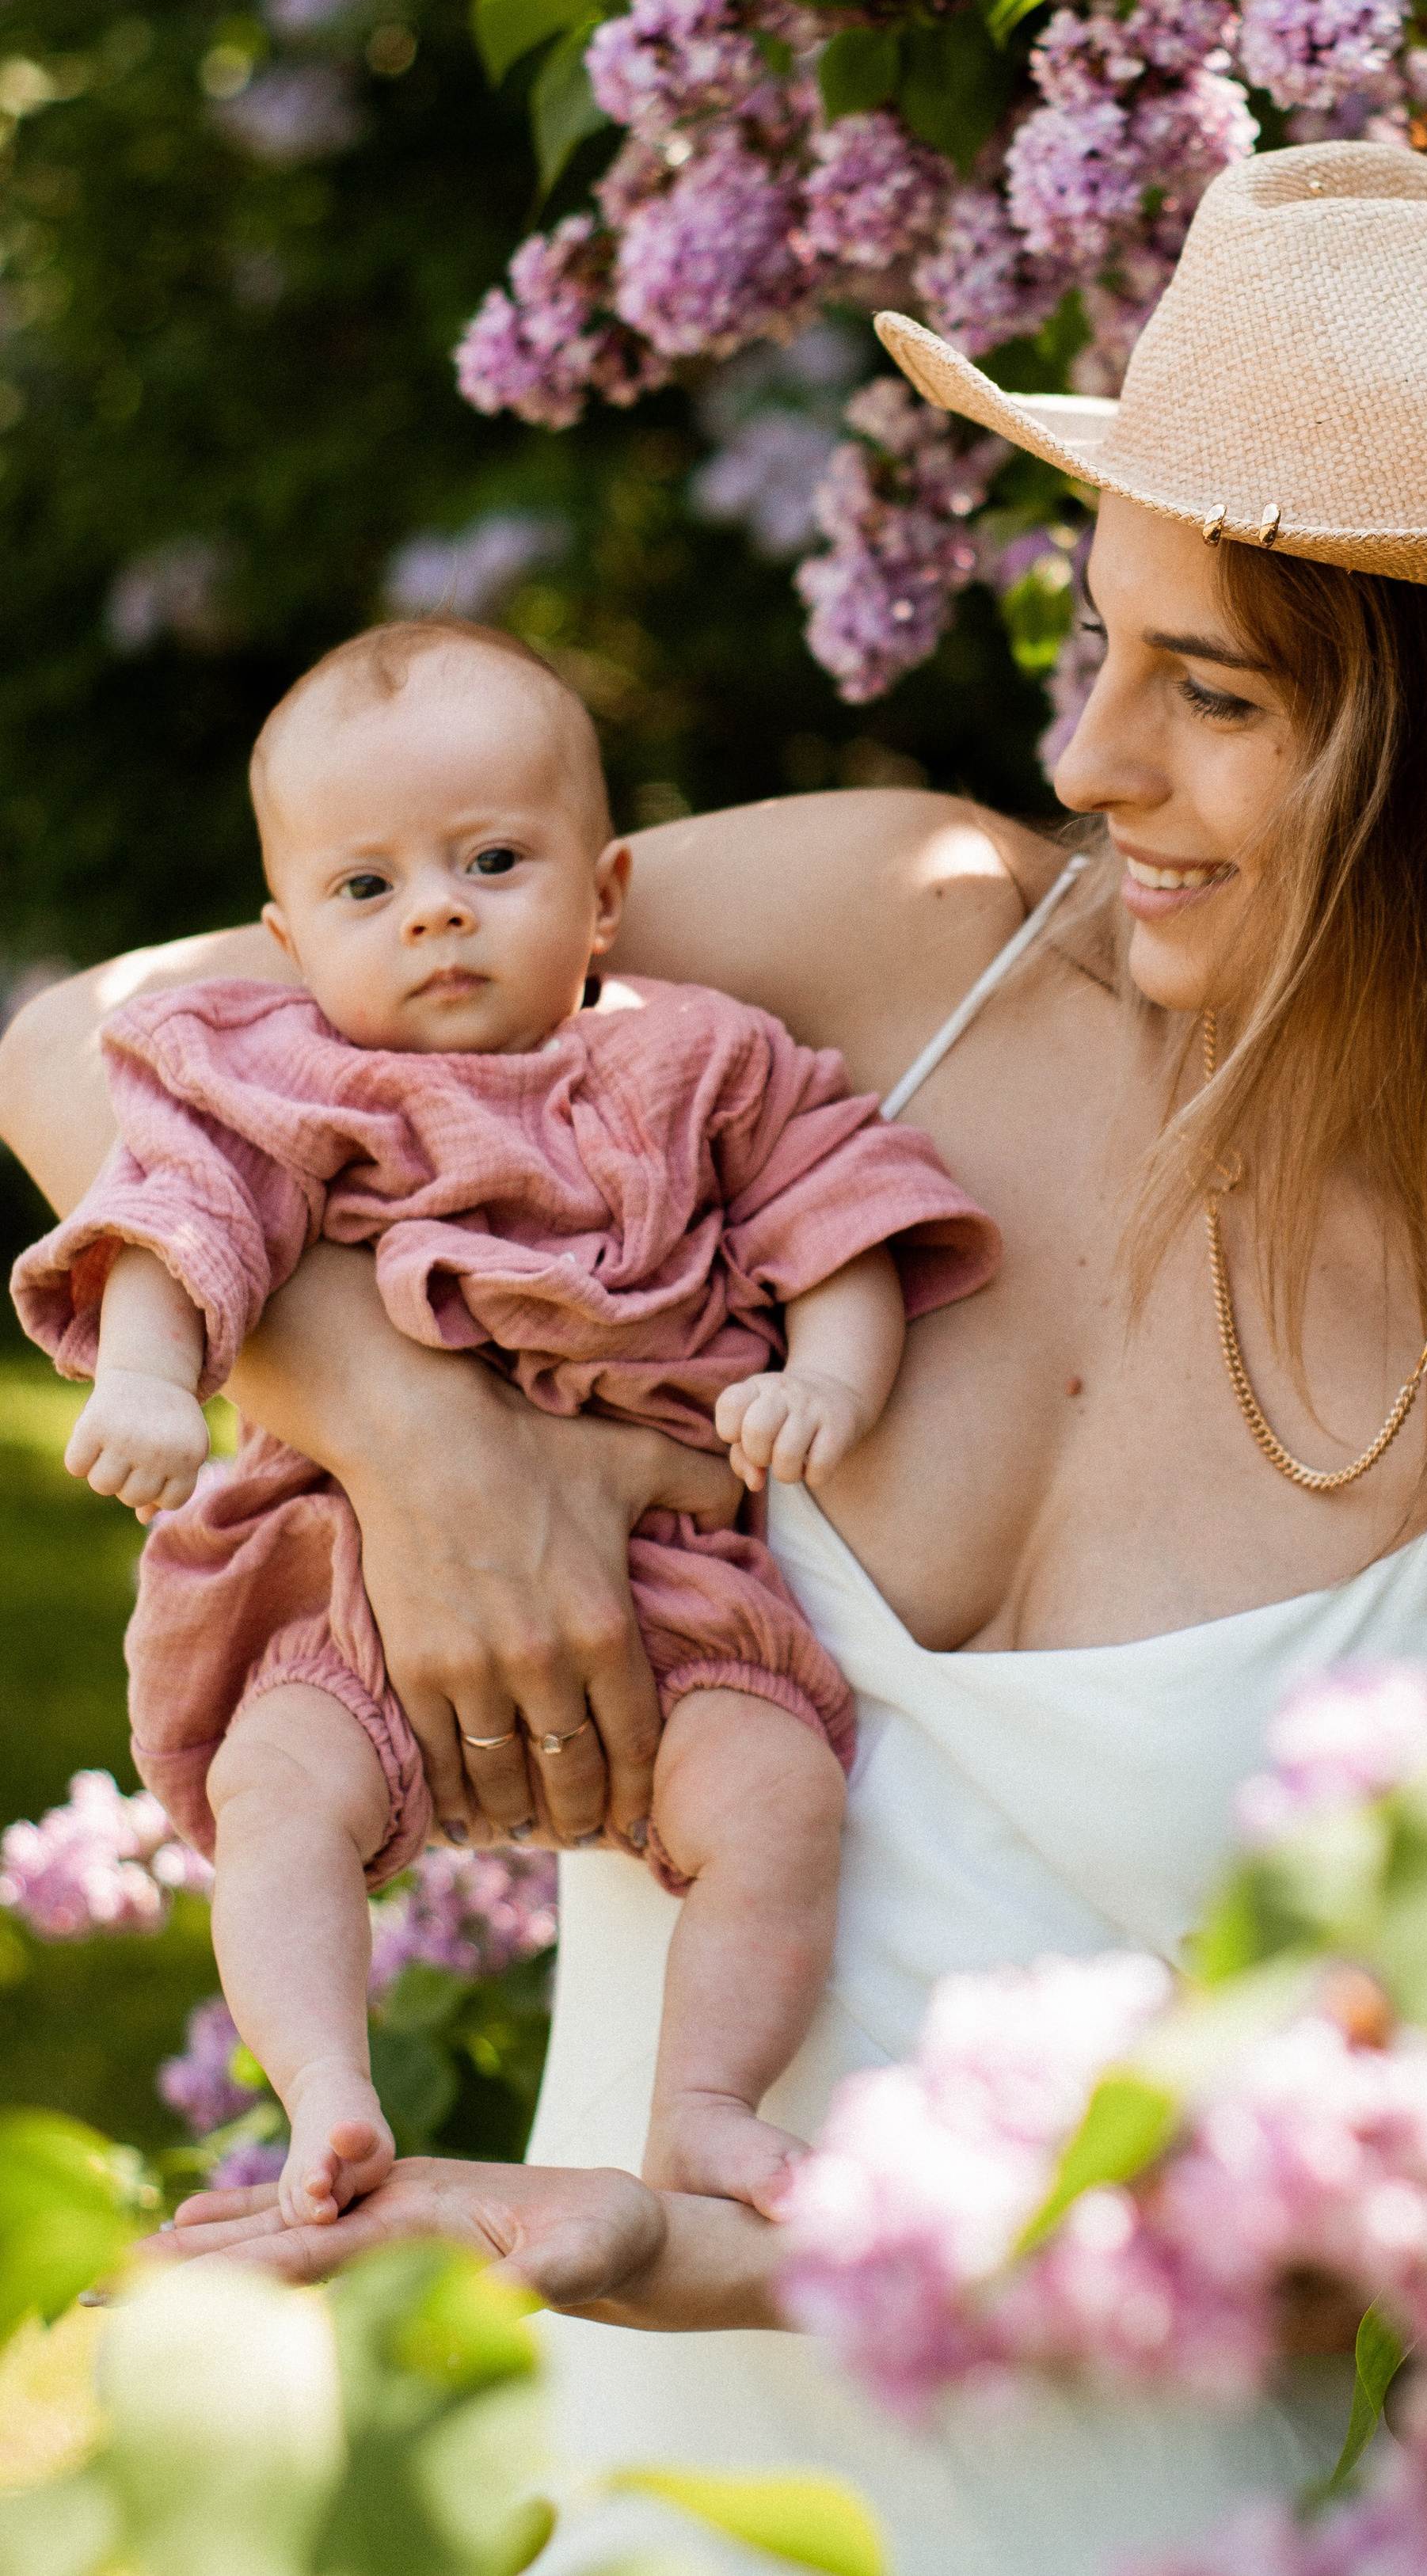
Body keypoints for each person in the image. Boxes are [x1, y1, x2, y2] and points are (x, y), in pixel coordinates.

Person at [0, 146, 1427, 2575]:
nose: (1090, 759)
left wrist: (673, 2240)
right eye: (1099, 640)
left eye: (1212, 691)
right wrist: (423, 1446)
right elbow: (98, 1044)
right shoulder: (892, 942)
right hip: (615, 2505)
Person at [9, 618, 995, 2230]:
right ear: (286, 939)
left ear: (602, 894)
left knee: (775, 1800)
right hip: (342, 1575)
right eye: (368, 887)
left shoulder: (697, 1059)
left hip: (670, 1586)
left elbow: (844, 1213)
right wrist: (142, 1380)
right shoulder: (289, 1080)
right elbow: (179, 1217)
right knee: (278, 1798)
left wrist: (827, 1375)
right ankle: (323, 2090)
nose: (438, 911)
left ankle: (702, 2105)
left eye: (490, 861)